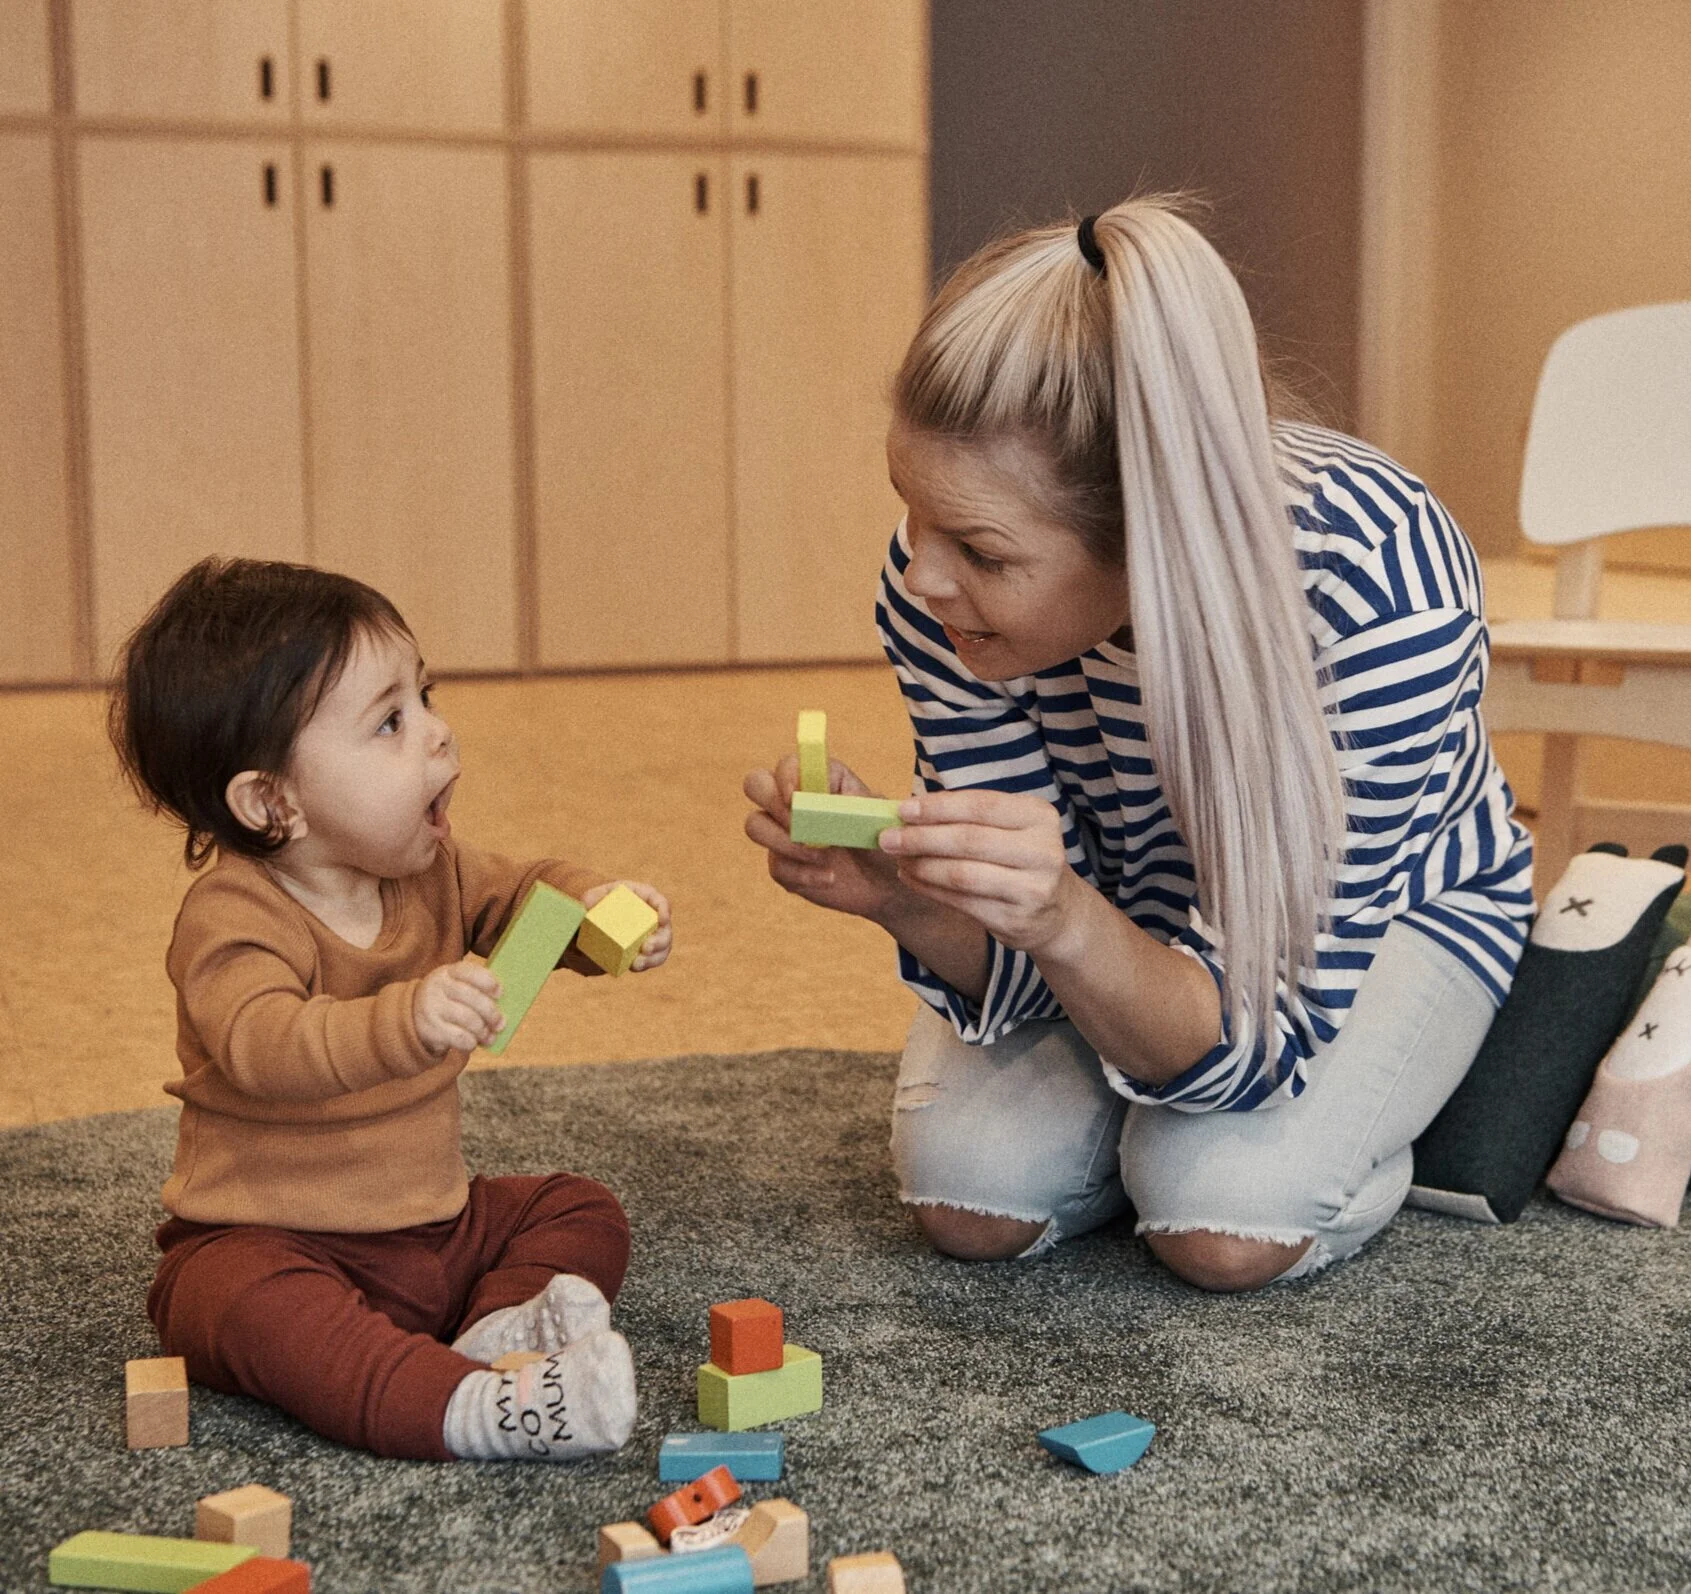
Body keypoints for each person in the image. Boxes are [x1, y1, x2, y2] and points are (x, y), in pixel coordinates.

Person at [745, 197, 1533, 1292]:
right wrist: (911, 898)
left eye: (978, 547)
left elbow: (1260, 1034)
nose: (921, 575)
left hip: (1389, 917)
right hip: (1124, 911)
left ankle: (1382, 1110)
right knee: (969, 1195)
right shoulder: (940, 594)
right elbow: (1020, 966)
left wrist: (1065, 916)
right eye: (912, 514)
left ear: (1149, 541)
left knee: (1220, 1218)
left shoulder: (1375, 590)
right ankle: (1151, 1097)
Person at [110, 558, 672, 1460]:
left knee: (579, 1207)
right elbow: (264, 1045)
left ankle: (499, 1332)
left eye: (427, 696)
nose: (440, 736)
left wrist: (601, 907)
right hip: (267, 1238)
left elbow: (532, 895)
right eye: (390, 722)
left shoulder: (429, 867)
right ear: (273, 803)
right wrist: (403, 1021)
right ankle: (467, 1410)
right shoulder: (232, 916)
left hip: (435, 1233)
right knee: (245, 1309)